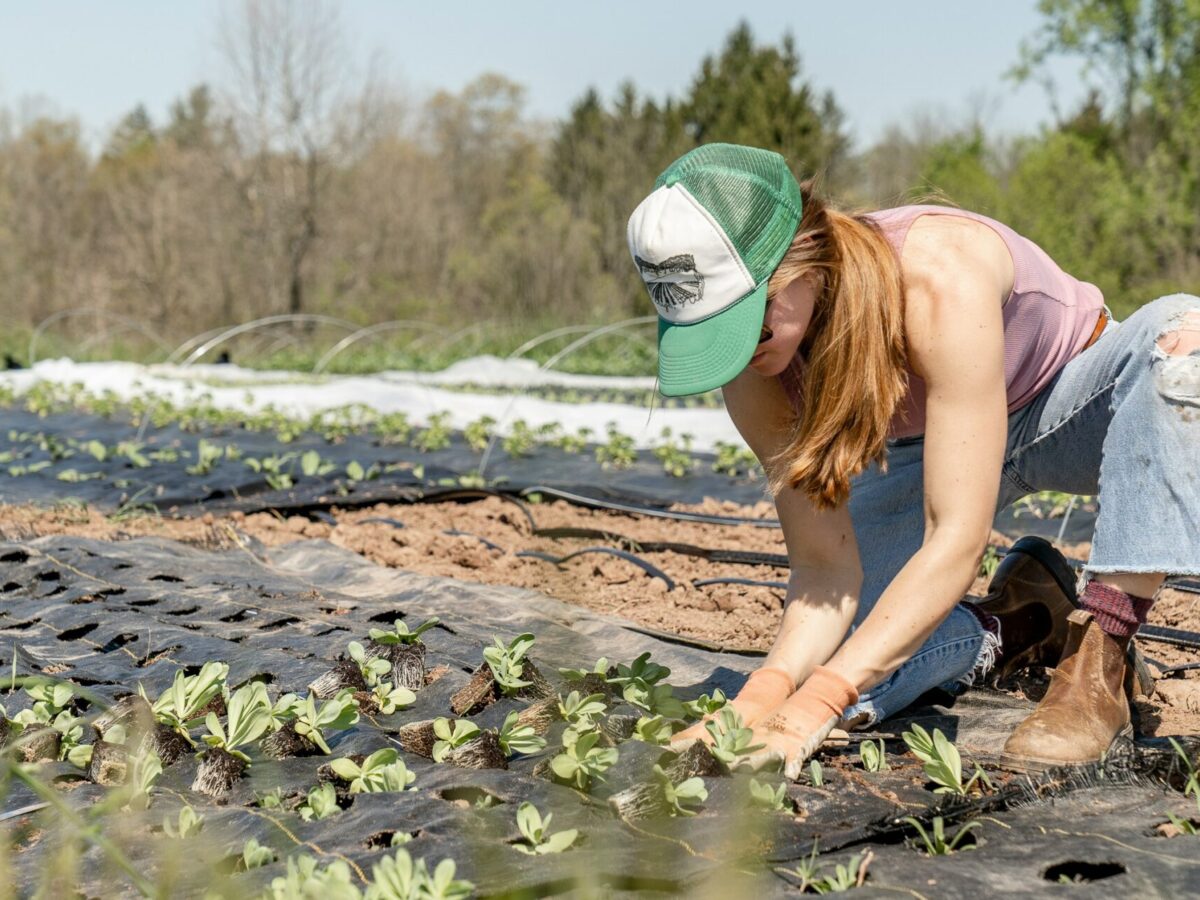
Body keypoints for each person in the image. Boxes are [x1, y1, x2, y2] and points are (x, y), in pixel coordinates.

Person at [626, 142, 1200, 779]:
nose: (739, 353)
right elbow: (824, 571)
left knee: (1184, 345)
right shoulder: (753, 372)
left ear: (802, 260)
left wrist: (823, 699)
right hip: (931, 448)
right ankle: (1016, 621)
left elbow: (955, 537)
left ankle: (1103, 657)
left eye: (748, 324)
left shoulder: (935, 275)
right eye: (712, 333)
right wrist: (768, 693)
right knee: (855, 647)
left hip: (1064, 405)